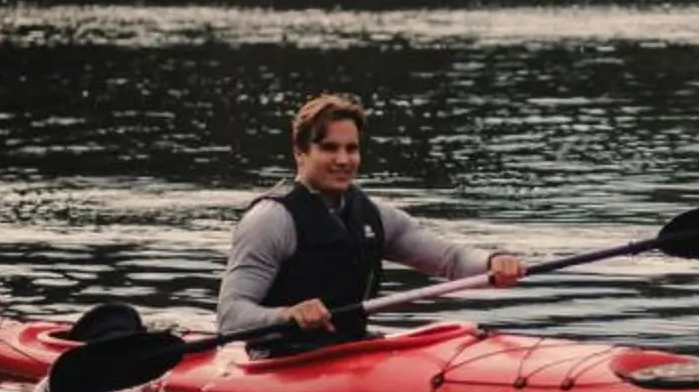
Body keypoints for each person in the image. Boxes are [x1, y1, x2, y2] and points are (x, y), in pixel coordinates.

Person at [216, 93, 522, 349]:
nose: (344, 160)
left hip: (354, 352)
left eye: (352, 148)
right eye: (329, 148)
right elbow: (230, 317)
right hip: (280, 361)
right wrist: (286, 315)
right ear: (300, 153)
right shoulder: (270, 220)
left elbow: (450, 259)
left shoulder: (375, 216)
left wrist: (493, 260)